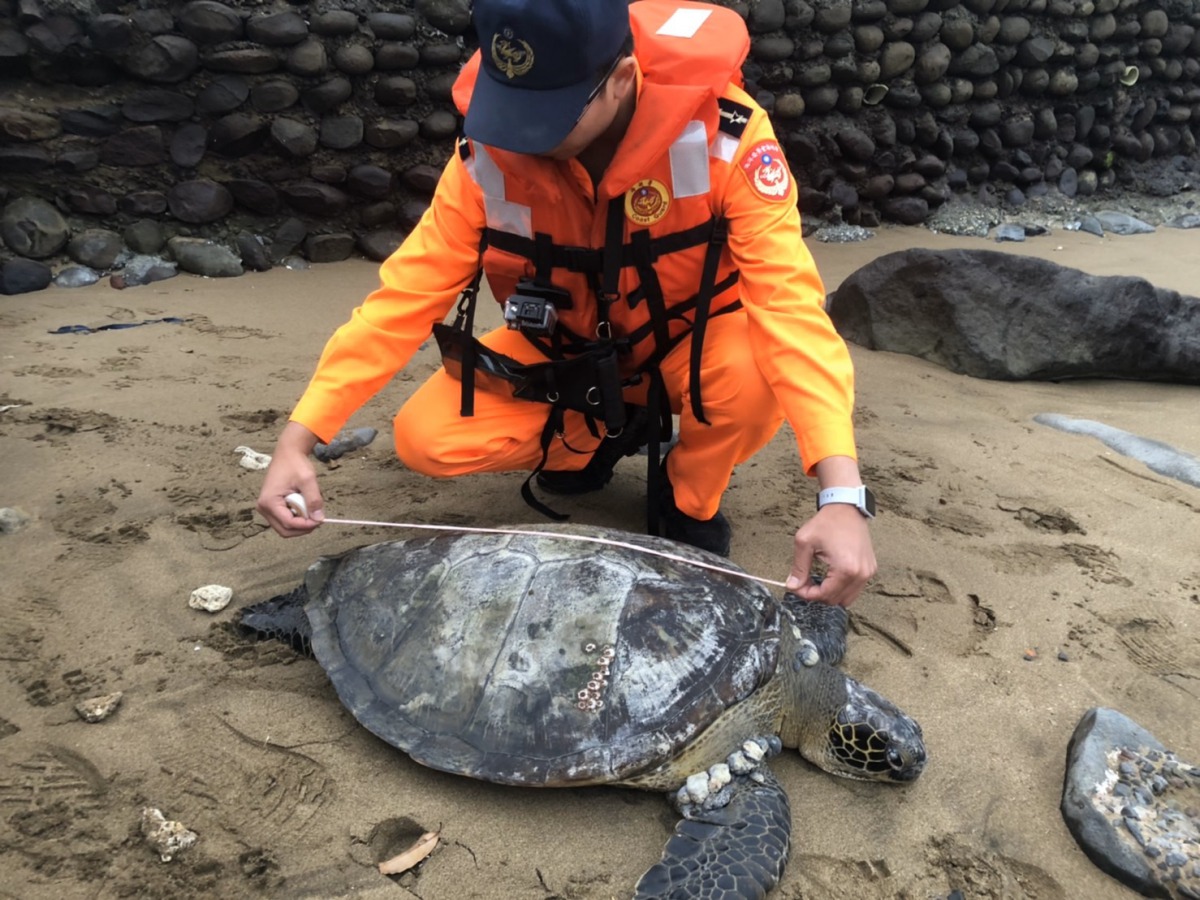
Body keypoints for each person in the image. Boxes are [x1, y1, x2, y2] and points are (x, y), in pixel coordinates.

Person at [256, 0, 878, 606]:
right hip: (569, 353)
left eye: (547, 115)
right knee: (426, 439)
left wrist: (841, 497)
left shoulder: (728, 139)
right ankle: (594, 436)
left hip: (689, 349)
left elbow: (792, 309)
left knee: (748, 378)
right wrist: (299, 438)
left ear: (622, 80)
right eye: (512, 109)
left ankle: (687, 498)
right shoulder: (484, 157)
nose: (522, 137)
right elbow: (403, 298)